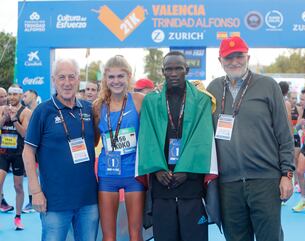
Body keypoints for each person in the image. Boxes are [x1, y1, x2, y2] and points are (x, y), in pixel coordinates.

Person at [207, 36, 294, 241]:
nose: (234, 61)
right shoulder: (212, 89)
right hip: (228, 183)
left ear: (248, 57)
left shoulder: (267, 85)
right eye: (229, 58)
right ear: (220, 61)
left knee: (269, 237)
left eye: (239, 56)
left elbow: (284, 133)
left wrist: (286, 174)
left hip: (265, 180)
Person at [136, 51, 218, 241]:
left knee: (194, 236)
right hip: (161, 182)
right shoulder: (151, 101)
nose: (173, 73)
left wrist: (187, 171)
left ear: (186, 70)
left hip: (191, 183)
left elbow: (202, 137)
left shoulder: (201, 100)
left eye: (178, 69)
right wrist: (157, 169)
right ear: (163, 71)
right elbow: (147, 137)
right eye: (169, 69)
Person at [22, 59, 99, 240]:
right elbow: (28, 151)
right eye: (61, 77)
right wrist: (35, 191)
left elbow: (94, 142)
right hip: (54, 202)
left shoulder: (89, 109)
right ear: (54, 80)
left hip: (88, 201)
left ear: (78, 79)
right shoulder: (43, 111)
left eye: (71, 77)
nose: (67, 82)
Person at [92, 55, 145, 241]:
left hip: (134, 174)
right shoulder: (98, 107)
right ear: (105, 79)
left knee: (136, 233)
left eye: (120, 76)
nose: (116, 81)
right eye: (111, 77)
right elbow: (95, 141)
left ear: (128, 77)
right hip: (108, 175)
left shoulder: (139, 100)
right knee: (108, 235)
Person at [0, 84, 32, 230]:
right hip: (3, 153)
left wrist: (13, 120)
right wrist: (4, 117)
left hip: (18, 154)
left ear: (20, 96)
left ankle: (18, 217)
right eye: (10, 94)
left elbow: (25, 133)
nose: (12, 97)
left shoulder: (26, 112)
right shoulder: (2, 109)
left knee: (18, 186)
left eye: (15, 94)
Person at [21, 89, 39, 213]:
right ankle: (31, 201)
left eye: (25, 95)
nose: (23, 98)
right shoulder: (24, 112)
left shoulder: (42, 110)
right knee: (31, 173)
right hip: (30, 149)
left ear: (34, 96)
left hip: (43, 150)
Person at [0, 86, 15, 213]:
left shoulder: (11, 108)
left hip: (6, 150)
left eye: (5, 96)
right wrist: (4, 117)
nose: (4, 99)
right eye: (1, 97)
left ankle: (2, 200)